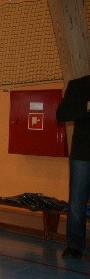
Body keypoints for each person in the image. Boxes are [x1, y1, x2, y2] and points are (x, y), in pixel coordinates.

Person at [56, 74, 90, 259]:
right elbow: (62, 114)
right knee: (77, 202)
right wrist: (86, 107)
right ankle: (75, 246)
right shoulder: (78, 85)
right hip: (82, 154)